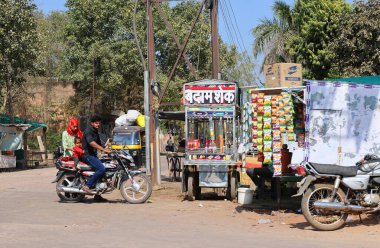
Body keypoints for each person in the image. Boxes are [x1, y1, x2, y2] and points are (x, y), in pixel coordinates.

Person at [81, 115, 111, 195]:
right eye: (96, 123)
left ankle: (97, 195)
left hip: (93, 155)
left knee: (104, 169)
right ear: (92, 123)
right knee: (101, 169)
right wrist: (103, 149)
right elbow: (91, 143)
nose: (98, 125)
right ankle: (87, 186)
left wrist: (109, 148)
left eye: (99, 123)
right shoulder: (88, 131)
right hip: (87, 155)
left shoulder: (95, 131)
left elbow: (99, 143)